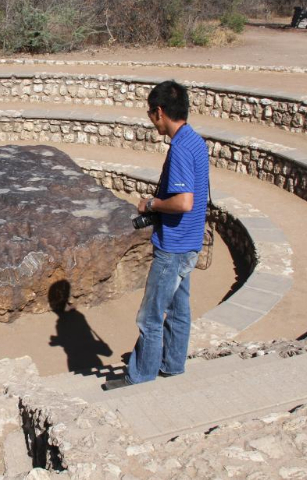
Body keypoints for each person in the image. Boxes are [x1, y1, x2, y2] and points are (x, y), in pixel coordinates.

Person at [103, 80, 209, 390]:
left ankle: (142, 375)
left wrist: (152, 203)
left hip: (173, 247)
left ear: (160, 112)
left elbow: (184, 201)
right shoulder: (195, 141)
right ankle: (172, 365)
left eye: (151, 113)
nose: (151, 120)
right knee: (178, 311)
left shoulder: (178, 149)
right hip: (189, 243)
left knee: (149, 316)